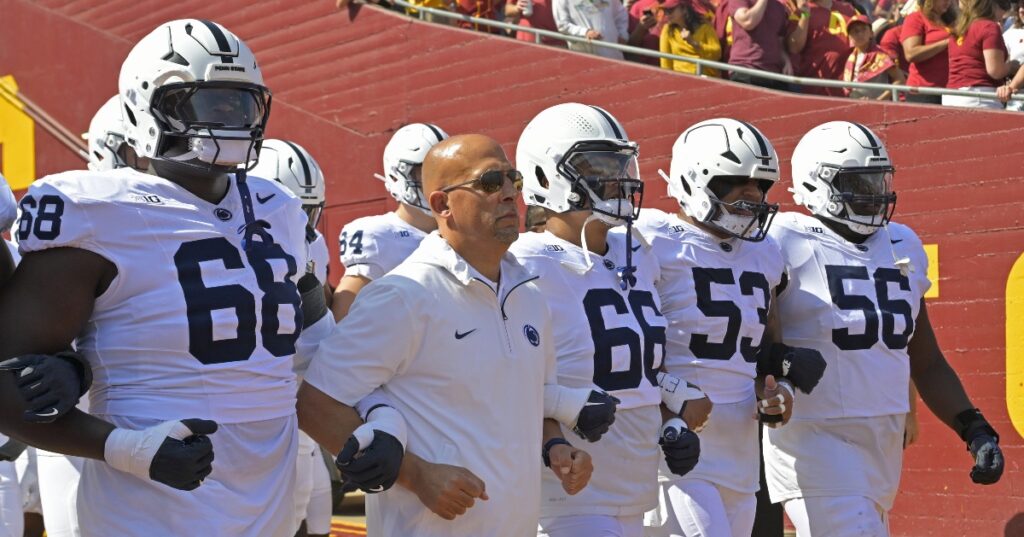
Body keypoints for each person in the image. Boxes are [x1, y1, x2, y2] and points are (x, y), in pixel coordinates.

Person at [0, 19, 333, 535]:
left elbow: (310, 342)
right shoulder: (92, 208)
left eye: (238, 103)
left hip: (270, 489)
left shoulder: (279, 207)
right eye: (205, 102)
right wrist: (125, 447)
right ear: (146, 107)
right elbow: (11, 383)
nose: (227, 119)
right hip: (148, 500)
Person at [298, 134, 596, 536]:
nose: (509, 194)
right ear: (442, 205)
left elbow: (533, 399)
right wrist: (416, 474)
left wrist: (555, 447)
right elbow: (315, 403)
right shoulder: (403, 296)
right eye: (490, 182)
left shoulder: (529, 296)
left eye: (513, 180)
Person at [763, 121, 1004, 536]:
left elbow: (924, 361)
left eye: (878, 182)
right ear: (816, 182)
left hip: (882, 442)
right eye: (859, 183)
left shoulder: (901, 242)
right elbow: (755, 337)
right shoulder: (782, 238)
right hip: (814, 436)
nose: (874, 195)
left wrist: (972, 426)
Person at [513, 102, 702, 537]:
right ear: (546, 176)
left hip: (635, 484)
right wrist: (557, 421)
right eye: (598, 168)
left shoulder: (634, 251)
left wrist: (673, 414)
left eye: (620, 165)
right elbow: (502, 377)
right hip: (566, 490)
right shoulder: (523, 263)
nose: (618, 180)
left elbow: (638, 367)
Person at [638, 118, 821, 537]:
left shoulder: (766, 253)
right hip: (675, 446)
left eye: (760, 184)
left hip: (739, 451)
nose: (752, 195)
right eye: (735, 182)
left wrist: (779, 393)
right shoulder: (651, 238)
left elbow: (764, 352)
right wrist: (669, 400)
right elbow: (623, 339)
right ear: (693, 178)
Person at [249, 139, 333, 537]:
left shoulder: (312, 244)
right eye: (293, 210)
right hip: (250, 418)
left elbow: (322, 327)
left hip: (301, 411)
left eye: (309, 211)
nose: (302, 225)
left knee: (312, 523)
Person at [331, 123, 448, 321]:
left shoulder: (459, 230)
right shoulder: (378, 235)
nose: (440, 183)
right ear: (397, 175)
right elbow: (342, 321)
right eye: (427, 173)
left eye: (446, 173)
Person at [944, 0, 1019, 108]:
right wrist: (1012, 66)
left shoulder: (959, 28)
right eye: (1003, 4)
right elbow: (995, 71)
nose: (1005, 11)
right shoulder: (989, 27)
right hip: (980, 97)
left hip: (952, 96)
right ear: (992, 5)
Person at [786, 0, 858, 95]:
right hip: (814, 91)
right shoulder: (799, 11)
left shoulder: (849, 10)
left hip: (848, 91)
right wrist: (805, 15)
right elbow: (794, 47)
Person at [725, 0, 794, 89]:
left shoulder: (779, 7)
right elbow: (748, 21)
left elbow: (778, 41)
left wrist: (786, 61)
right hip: (746, 70)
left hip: (774, 75)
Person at [900, 0, 956, 104]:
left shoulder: (950, 20)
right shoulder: (915, 18)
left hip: (950, 91)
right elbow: (911, 54)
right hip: (923, 92)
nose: (948, 2)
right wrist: (947, 43)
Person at [844, 15, 907, 99]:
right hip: (855, 104)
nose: (860, 34)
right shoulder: (851, 58)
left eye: (863, 29)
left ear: (871, 33)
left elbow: (900, 79)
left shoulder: (880, 55)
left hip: (878, 107)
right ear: (850, 37)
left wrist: (879, 100)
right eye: (855, 31)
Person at [660, 0, 723, 76]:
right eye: (665, 11)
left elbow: (716, 53)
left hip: (706, 78)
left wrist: (694, 43)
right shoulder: (668, 30)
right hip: (681, 78)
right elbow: (665, 62)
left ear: (684, 9)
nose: (667, 14)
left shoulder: (705, 27)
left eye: (670, 10)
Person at [553, 0, 630, 60]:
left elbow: (620, 14)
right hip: (585, 57)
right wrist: (585, 32)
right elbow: (562, 24)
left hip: (614, 54)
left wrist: (622, 34)